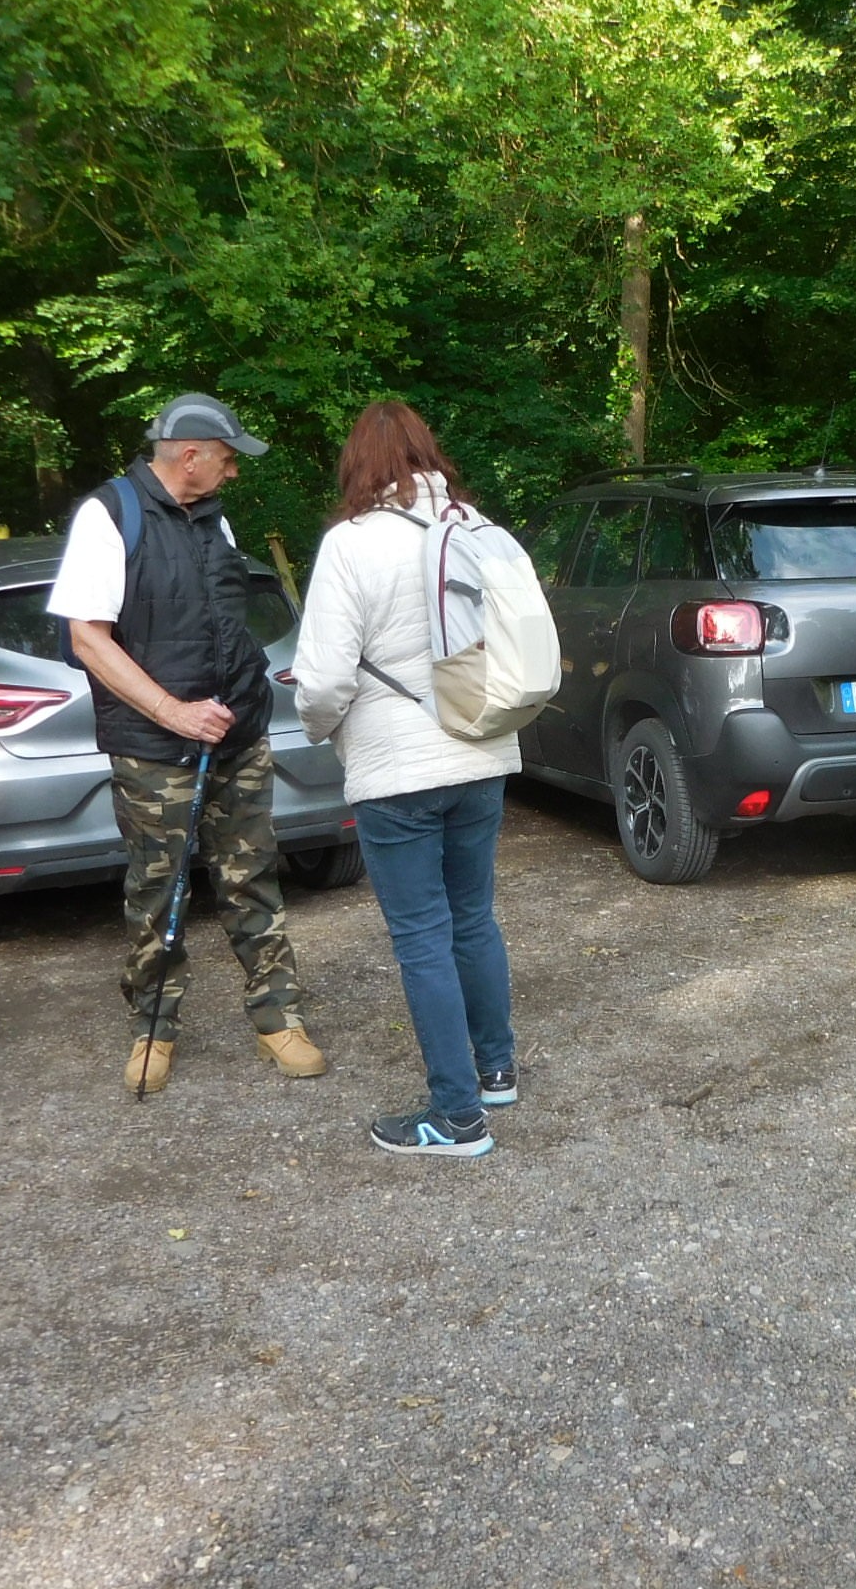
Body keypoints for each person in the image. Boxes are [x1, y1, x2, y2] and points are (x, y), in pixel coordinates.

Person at [47, 393, 321, 1094]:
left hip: (239, 736)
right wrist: (174, 711)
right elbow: (87, 638)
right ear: (191, 455)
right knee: (158, 888)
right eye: (227, 460)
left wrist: (240, 698)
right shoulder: (109, 516)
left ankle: (277, 1018)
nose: (233, 474)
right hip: (155, 748)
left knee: (252, 877)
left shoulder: (213, 521)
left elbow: (226, 621)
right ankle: (153, 1028)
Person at [292, 402, 520, 1158]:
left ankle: (456, 1117)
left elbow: (324, 680)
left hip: (397, 767)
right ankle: (495, 1069)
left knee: (422, 936)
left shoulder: (351, 545)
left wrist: (323, 729)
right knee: (474, 918)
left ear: (358, 464)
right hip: (481, 752)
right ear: (429, 454)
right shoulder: (478, 530)